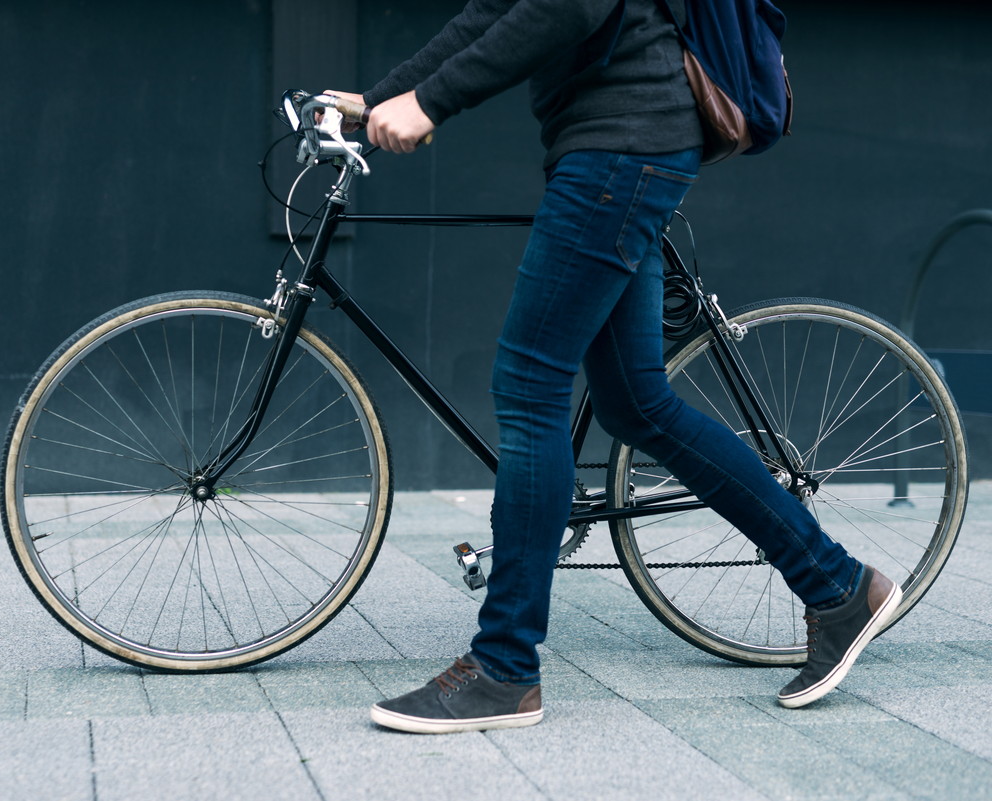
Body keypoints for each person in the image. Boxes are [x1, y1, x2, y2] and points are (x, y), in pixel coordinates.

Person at [330, 0, 902, 735]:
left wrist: (431, 100)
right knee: (634, 401)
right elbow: (496, 10)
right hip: (621, 146)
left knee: (530, 386)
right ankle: (838, 586)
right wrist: (386, 96)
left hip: (621, 146)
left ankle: (504, 668)